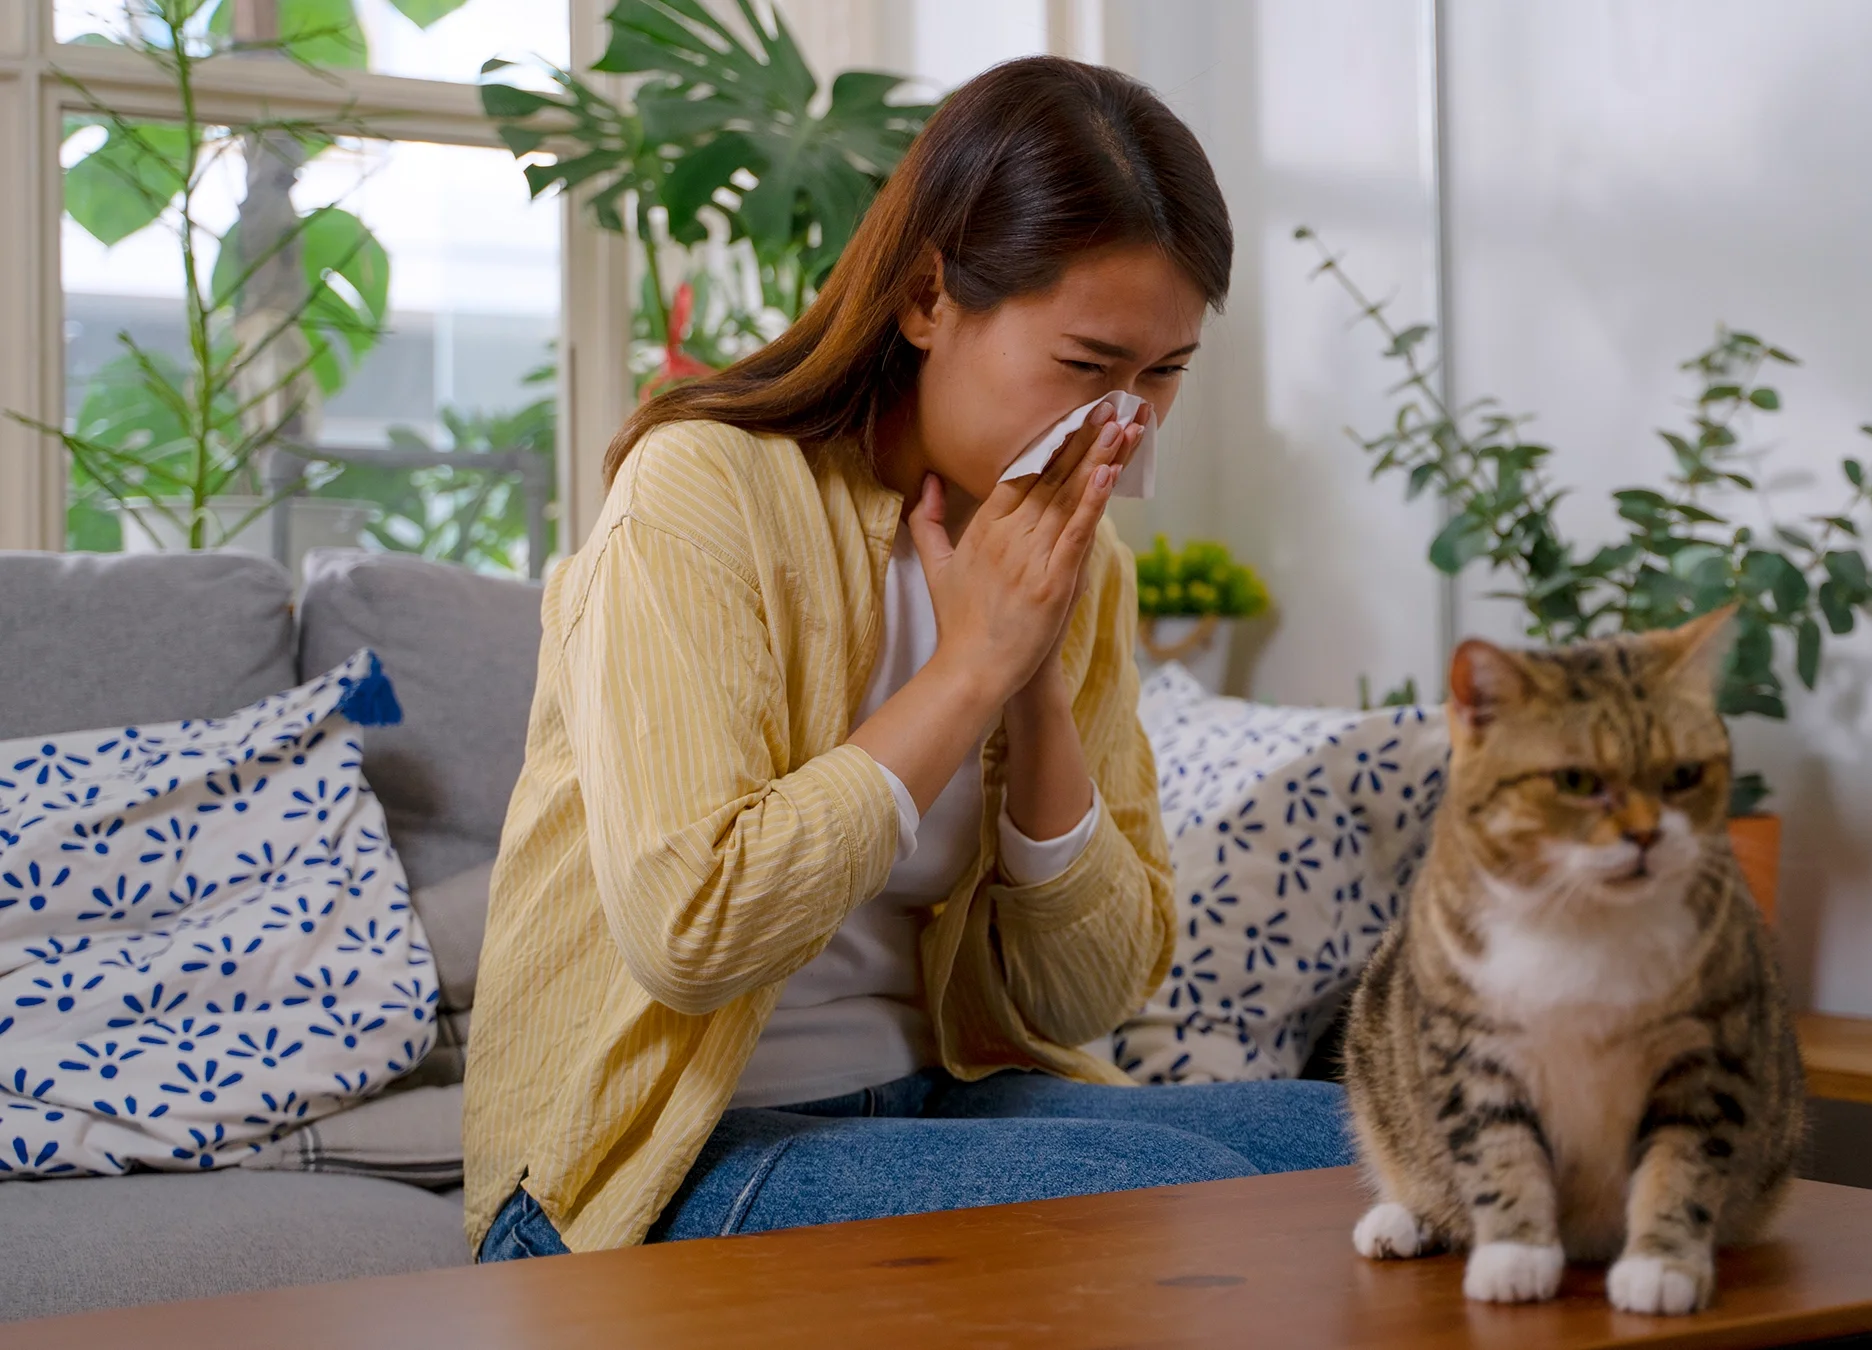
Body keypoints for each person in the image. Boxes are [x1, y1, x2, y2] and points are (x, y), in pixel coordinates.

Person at [464, 56, 1349, 1260]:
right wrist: (969, 671)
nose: (1121, 426)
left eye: (1163, 375)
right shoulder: (703, 490)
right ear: (930, 299)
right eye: (1087, 367)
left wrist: (1033, 677)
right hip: (653, 1155)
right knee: (1161, 1189)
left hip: (940, 1096)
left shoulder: (1083, 570)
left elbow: (1087, 998)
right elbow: (689, 932)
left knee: (1376, 1145)